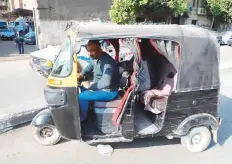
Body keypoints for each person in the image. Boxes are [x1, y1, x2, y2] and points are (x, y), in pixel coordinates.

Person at [77, 40, 120, 121]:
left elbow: (106, 82)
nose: (90, 54)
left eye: (92, 51)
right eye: (88, 51)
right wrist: (81, 74)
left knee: (81, 96)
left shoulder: (107, 62)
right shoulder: (97, 57)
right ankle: (88, 110)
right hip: (101, 88)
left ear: (100, 48)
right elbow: (91, 65)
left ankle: (82, 118)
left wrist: (91, 86)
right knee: (81, 89)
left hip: (109, 92)